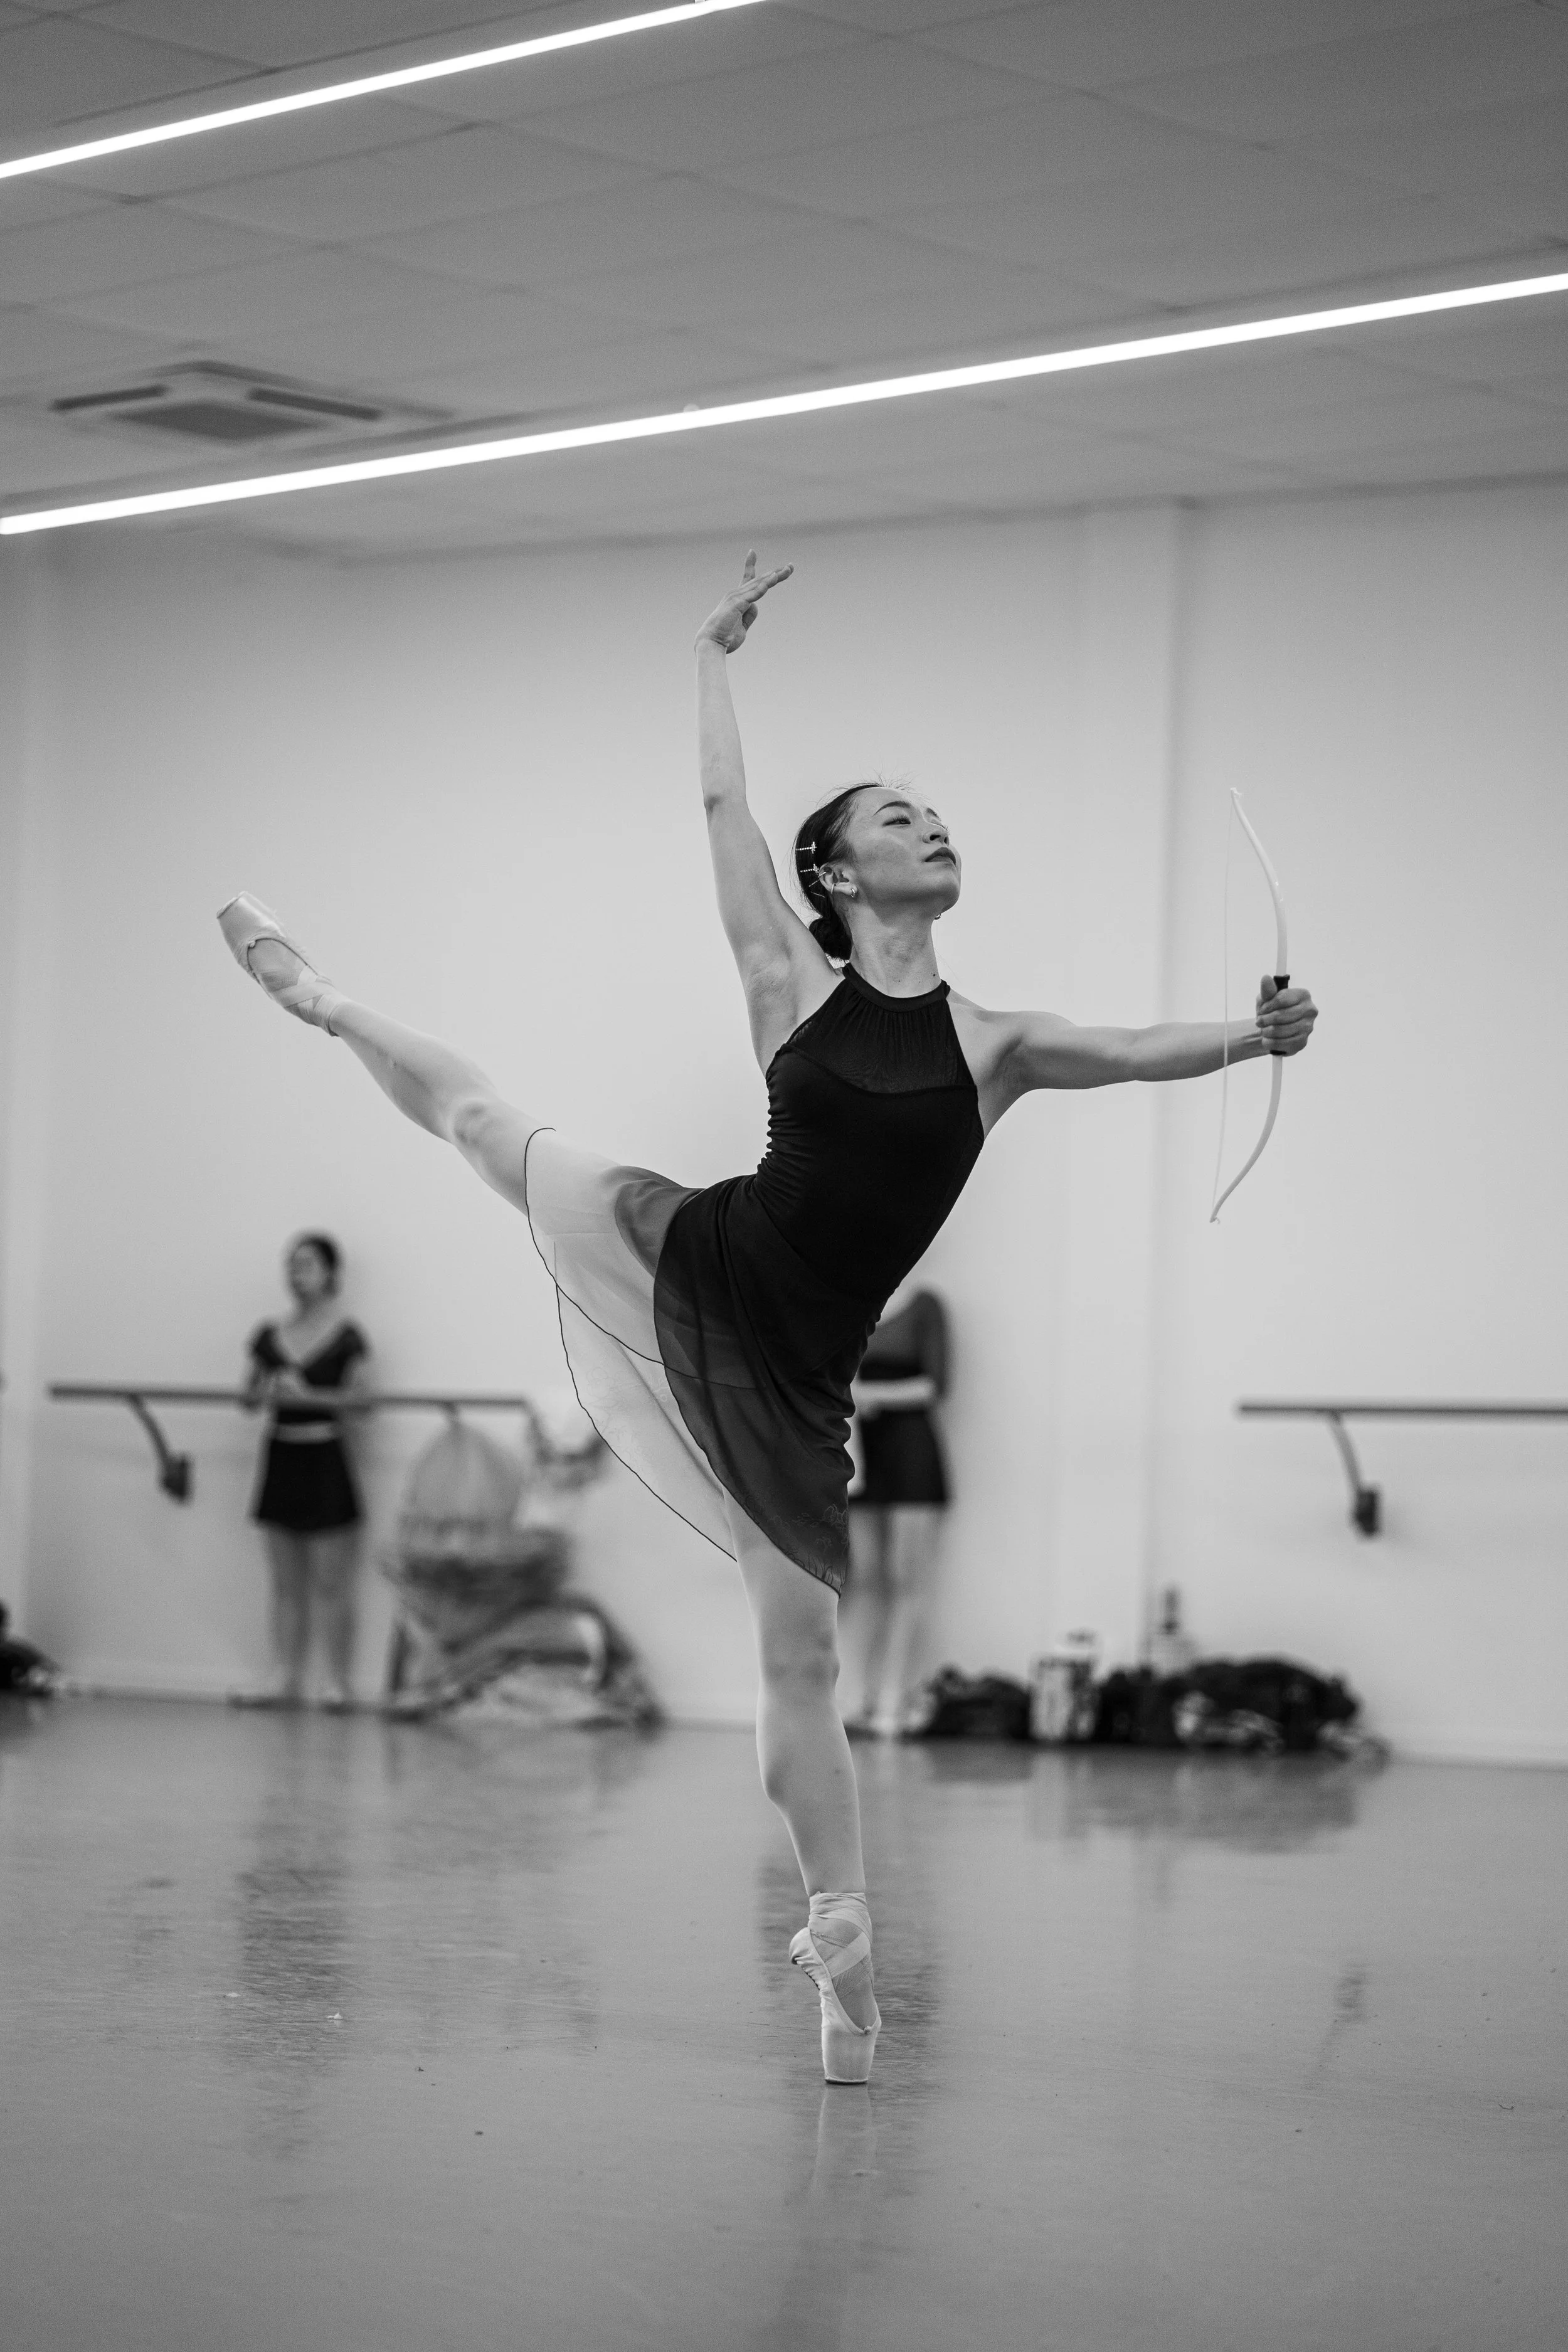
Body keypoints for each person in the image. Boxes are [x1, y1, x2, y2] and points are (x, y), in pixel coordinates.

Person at [216, 552, 1318, 2080]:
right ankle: (324, 998)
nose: (928, 822)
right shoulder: (786, 979)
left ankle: (840, 1937)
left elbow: (1137, 1047)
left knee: (800, 1663)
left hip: (800, 1379)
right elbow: (724, 820)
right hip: (697, 1257)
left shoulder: (992, 1041)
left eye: (931, 810)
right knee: (480, 1121)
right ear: (842, 876)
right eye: (892, 814)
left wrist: (1253, 1037)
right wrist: (708, 658)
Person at [238, 1232, 370, 1711]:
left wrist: (309, 1396)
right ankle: (282, 1676)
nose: (297, 1273)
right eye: (291, 1265)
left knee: (332, 1582)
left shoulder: (346, 1334)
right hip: (281, 1456)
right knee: (283, 1580)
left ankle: (336, 1681)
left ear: (331, 1273)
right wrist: (271, 1387)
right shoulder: (269, 1336)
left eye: (308, 1264)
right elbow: (247, 1400)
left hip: (326, 1458)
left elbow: (361, 1403)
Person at [845, 1281, 950, 1738]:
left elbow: (936, 1385)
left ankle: (894, 1697)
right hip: (863, 1456)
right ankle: (861, 1697)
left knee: (907, 1579)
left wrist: (871, 1397)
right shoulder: (849, 1300)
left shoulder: (925, 1306)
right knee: (866, 1581)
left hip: (911, 1452)